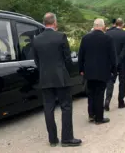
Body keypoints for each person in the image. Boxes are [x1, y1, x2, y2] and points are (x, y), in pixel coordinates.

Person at [31, 13, 82, 147]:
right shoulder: (61, 37)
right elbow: (67, 60)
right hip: (61, 78)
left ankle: (52, 139)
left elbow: (37, 61)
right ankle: (67, 138)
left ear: (44, 23)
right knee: (66, 106)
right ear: (54, 23)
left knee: (48, 108)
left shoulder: (36, 40)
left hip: (45, 78)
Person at [78, 18, 116, 125]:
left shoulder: (85, 38)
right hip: (102, 70)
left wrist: (81, 69)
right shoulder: (108, 38)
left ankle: (91, 114)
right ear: (103, 26)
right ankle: (99, 118)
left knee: (91, 93)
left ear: (94, 26)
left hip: (89, 71)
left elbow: (81, 55)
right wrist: (114, 70)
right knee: (99, 93)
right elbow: (113, 56)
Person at [104, 18, 125, 111]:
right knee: (122, 80)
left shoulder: (108, 33)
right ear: (122, 24)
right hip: (121, 61)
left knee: (110, 80)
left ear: (115, 24)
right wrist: (119, 58)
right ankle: (121, 101)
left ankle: (107, 99)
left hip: (110, 60)